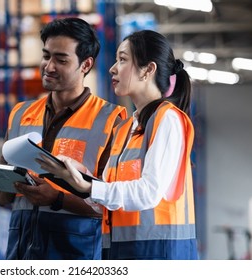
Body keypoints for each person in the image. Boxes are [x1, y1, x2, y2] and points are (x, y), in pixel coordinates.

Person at [35, 30, 198, 260]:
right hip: (120, 252)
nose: (113, 68)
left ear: (148, 70)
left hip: (160, 253)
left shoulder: (168, 119)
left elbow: (149, 192)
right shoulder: (125, 129)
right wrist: (80, 178)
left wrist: (90, 187)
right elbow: (110, 200)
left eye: (122, 59)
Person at [0, 17, 127, 260]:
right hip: (21, 249)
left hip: (76, 252)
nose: (49, 66)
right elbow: (1, 198)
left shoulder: (111, 120)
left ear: (86, 65)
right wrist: (0, 179)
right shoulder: (20, 113)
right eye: (46, 56)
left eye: (61, 60)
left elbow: (113, 205)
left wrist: (57, 199)